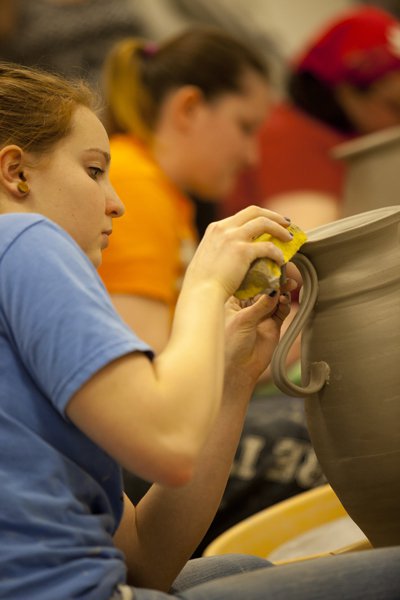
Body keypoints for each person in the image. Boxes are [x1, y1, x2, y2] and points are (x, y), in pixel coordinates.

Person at [2, 59, 400, 600]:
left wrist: (233, 376)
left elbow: (141, 560)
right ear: (15, 173)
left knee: (233, 567)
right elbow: (166, 443)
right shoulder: (23, 241)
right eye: (94, 171)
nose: (115, 202)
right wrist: (205, 287)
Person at [97, 28, 325, 549]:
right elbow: (151, 373)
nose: (251, 156)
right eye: (245, 128)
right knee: (318, 433)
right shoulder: (133, 184)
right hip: (123, 455)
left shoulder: (162, 194)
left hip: (142, 435)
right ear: (189, 108)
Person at [221, 5, 400, 230]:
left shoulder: (341, 134)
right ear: (347, 93)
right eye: (394, 106)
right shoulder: (290, 138)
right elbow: (312, 247)